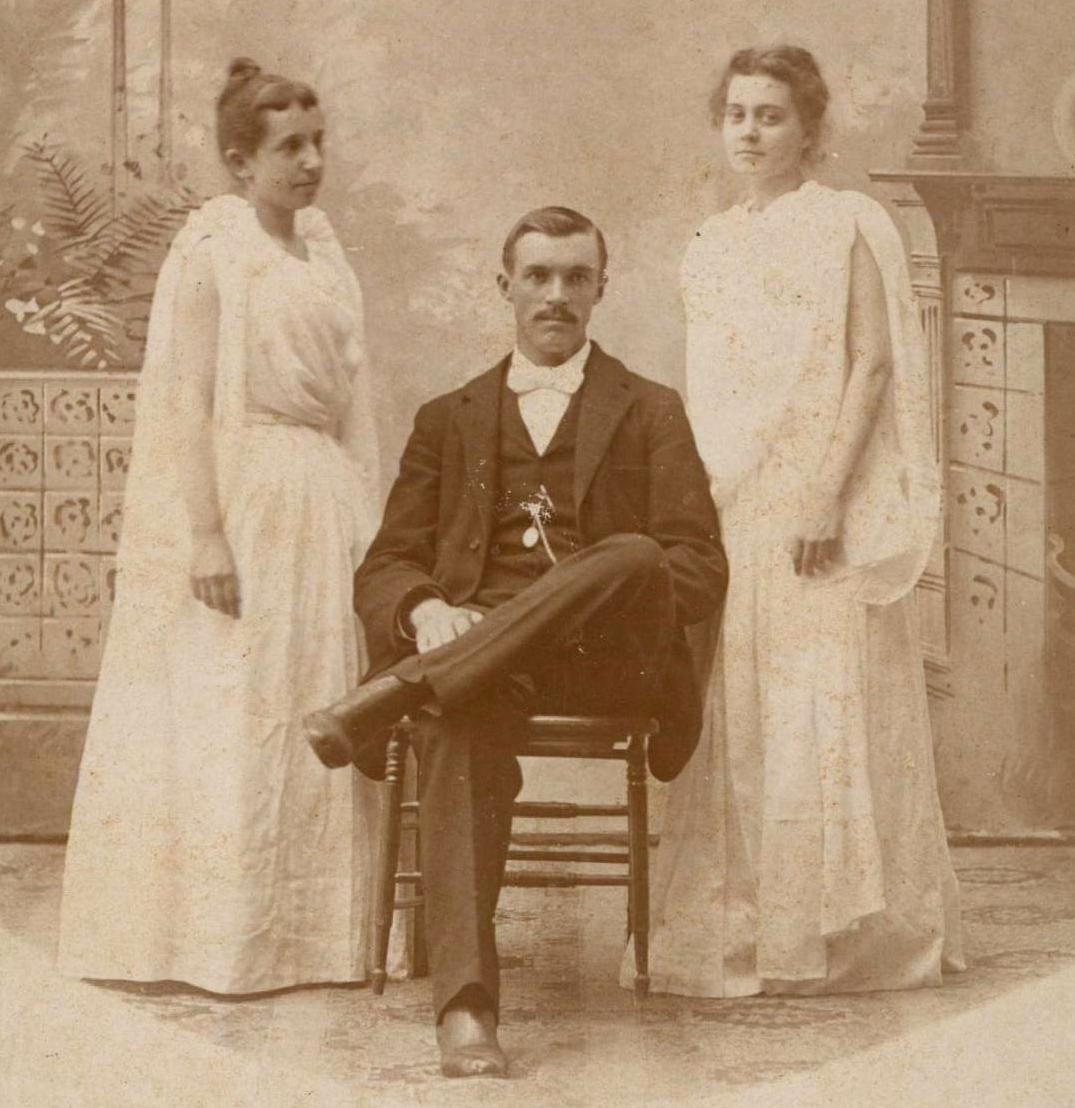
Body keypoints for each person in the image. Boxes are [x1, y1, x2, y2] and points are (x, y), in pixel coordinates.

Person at [305, 206, 728, 1076]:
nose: (556, 295)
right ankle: (465, 1008)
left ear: (601, 289)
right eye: (537, 276)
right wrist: (425, 612)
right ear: (504, 288)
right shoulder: (446, 418)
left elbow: (696, 567)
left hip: (607, 664)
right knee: (456, 717)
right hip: (477, 669)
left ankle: (403, 689)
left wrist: (599, 592)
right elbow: (386, 565)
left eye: (576, 277)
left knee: (637, 553)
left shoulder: (650, 410)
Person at [626, 45, 965, 999]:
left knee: (823, 697)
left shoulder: (846, 224)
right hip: (734, 502)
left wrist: (825, 493)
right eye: (735, 113)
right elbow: (713, 392)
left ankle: (836, 932)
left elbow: (869, 364)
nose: (749, 131)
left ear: (809, 130)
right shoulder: (711, 240)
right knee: (745, 704)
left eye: (770, 115)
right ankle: (749, 926)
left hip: (819, 499)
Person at [58, 58, 384, 994]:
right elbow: (183, 401)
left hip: (319, 499)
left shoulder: (321, 250)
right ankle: (221, 939)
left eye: (319, 142)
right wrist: (204, 533)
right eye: (289, 147)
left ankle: (313, 938)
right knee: (234, 708)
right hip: (240, 497)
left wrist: (366, 510)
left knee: (311, 698)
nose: (311, 162)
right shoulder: (213, 250)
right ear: (240, 162)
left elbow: (354, 399)